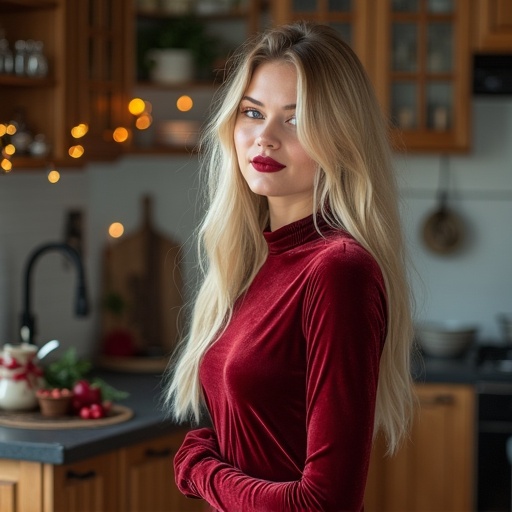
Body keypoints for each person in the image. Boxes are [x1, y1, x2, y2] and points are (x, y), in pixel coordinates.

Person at [165, 21, 415, 512]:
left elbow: (324, 502)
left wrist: (200, 470)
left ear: (341, 137)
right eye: (252, 113)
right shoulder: (252, 259)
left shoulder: (338, 271)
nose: (264, 138)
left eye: (296, 120)